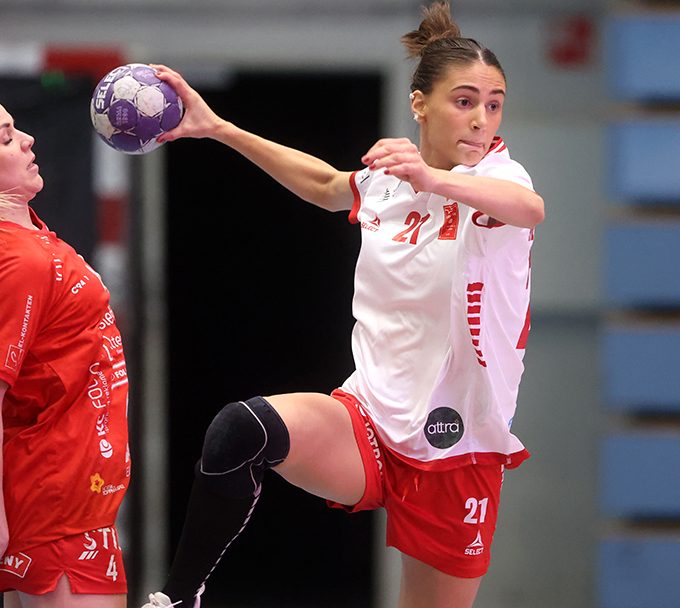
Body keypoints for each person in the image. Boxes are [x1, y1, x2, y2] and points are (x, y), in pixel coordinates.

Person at [142, 2, 544, 607]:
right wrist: (219, 128)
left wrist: (431, 179)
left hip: (457, 443)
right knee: (240, 430)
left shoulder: (500, 178)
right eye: (464, 101)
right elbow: (326, 184)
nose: (480, 120)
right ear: (419, 104)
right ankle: (178, 598)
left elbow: (530, 211)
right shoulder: (388, 181)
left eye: (494, 104)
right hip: (370, 419)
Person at [0, 104, 130, 607]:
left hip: (78, 502)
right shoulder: (17, 260)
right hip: (55, 511)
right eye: (6, 139)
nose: (27, 139)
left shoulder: (33, 236)